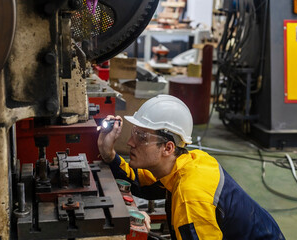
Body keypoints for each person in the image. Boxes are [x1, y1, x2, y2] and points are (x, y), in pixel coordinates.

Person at [97, 94, 285, 240]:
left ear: (168, 148)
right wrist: (109, 155)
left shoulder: (190, 198)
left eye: (142, 137)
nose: (130, 142)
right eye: (134, 133)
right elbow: (141, 182)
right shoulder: (188, 163)